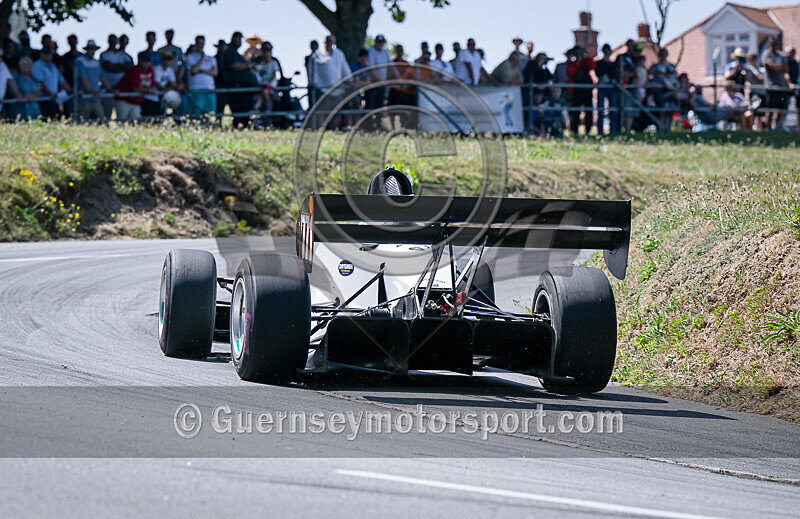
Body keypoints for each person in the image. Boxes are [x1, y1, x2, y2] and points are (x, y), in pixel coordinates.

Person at [223, 31, 257, 127]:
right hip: (237, 87)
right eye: (237, 39)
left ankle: (244, 127)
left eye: (240, 39)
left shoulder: (237, 54)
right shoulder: (229, 52)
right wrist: (250, 65)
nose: (239, 41)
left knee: (245, 111)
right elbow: (235, 66)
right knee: (238, 111)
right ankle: (238, 127)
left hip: (245, 88)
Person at [75, 39, 110, 121]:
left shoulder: (97, 63)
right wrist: (93, 92)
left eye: (93, 49)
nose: (92, 51)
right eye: (90, 49)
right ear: (86, 50)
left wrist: (111, 89)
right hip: (83, 98)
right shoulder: (80, 61)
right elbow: (83, 79)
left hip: (95, 98)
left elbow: (103, 78)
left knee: (101, 120)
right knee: (83, 121)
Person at [31, 46, 71, 119]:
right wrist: (49, 93)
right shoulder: (37, 65)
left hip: (53, 99)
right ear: (41, 54)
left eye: (49, 54)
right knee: (44, 120)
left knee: (56, 118)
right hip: (43, 99)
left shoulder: (53, 65)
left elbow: (62, 80)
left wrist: (72, 91)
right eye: (45, 54)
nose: (48, 55)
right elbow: (41, 82)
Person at [114, 53, 156, 122]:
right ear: (139, 61)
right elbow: (135, 88)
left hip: (137, 102)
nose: (145, 63)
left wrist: (149, 89)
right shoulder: (134, 70)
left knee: (135, 123)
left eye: (147, 61)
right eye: (143, 61)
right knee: (121, 122)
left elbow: (152, 85)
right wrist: (148, 91)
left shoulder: (150, 70)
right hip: (124, 99)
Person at [184, 35, 218, 116]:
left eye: (202, 43)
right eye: (199, 43)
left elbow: (215, 72)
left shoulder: (211, 59)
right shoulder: (190, 57)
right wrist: (202, 58)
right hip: (196, 89)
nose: (200, 45)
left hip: (209, 88)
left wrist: (201, 70)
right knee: (196, 113)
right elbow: (194, 71)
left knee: (209, 113)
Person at [566, 45, 596, 135]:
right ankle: (574, 130)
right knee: (575, 110)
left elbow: (592, 66)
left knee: (588, 110)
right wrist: (577, 61)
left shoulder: (586, 62)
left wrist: (584, 57)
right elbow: (570, 73)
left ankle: (588, 130)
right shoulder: (572, 64)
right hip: (576, 90)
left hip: (587, 89)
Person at [762, 37, 790, 130]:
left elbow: (786, 68)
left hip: (781, 86)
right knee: (770, 109)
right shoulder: (767, 54)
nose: (774, 46)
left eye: (776, 44)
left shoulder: (781, 56)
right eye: (772, 44)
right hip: (771, 86)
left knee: (780, 109)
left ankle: (776, 127)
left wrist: (777, 66)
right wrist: (780, 67)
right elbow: (771, 66)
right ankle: (768, 128)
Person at [595, 43, 619, 133]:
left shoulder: (614, 64)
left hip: (611, 88)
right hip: (602, 87)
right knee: (600, 109)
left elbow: (614, 74)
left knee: (613, 109)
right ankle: (600, 131)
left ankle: (613, 130)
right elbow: (599, 73)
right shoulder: (599, 63)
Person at [365, 34, 391, 109]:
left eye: (382, 42)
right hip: (372, 85)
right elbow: (371, 69)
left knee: (380, 109)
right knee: (370, 108)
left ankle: (378, 121)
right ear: (375, 42)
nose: (380, 43)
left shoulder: (385, 52)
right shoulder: (370, 51)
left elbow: (390, 66)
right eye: (379, 41)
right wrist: (383, 82)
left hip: (381, 86)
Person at [253, 45, 280, 112]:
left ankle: (268, 107)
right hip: (263, 84)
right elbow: (257, 70)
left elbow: (274, 75)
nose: (266, 55)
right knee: (260, 95)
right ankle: (256, 108)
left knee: (265, 92)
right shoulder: (262, 64)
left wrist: (269, 83)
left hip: (271, 85)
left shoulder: (274, 63)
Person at [0, 46, 25, 118]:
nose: (1, 59)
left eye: (1, 56)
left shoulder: (2, 65)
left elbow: (10, 80)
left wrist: (18, 95)